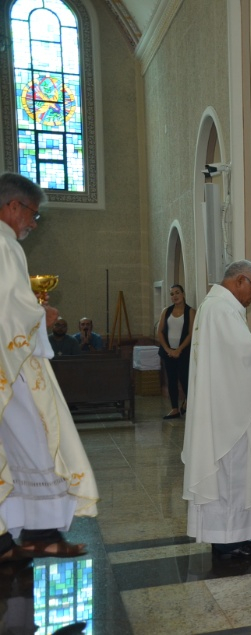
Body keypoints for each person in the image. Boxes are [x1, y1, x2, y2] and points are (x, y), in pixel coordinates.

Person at [0, 171, 97, 562]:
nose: (33, 223)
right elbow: (10, 309)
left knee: (13, 448)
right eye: (32, 214)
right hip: (14, 364)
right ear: (11, 206)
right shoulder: (5, 245)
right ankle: (39, 533)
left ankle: (11, 539)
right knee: (43, 439)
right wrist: (43, 313)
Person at [182, 260, 251, 557]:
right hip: (227, 411)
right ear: (240, 280)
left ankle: (243, 535)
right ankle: (227, 542)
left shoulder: (217, 307)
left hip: (226, 402)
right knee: (231, 474)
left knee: (239, 474)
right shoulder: (221, 309)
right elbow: (243, 356)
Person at [156, 284, 195, 420]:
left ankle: (188, 402)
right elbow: (160, 331)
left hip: (183, 352)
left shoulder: (190, 311)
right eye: (172, 294)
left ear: (183, 294)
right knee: (171, 380)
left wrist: (179, 349)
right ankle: (174, 408)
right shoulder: (166, 311)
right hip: (168, 352)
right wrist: (168, 349)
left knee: (184, 378)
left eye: (177, 293)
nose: (175, 296)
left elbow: (191, 333)